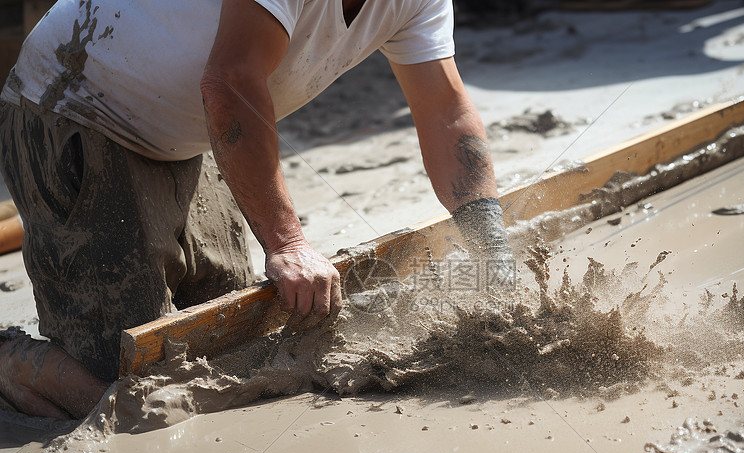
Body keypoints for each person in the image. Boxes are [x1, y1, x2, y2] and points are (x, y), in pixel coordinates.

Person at [0, 0, 512, 419]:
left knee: (233, 345)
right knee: (132, 392)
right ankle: (10, 361)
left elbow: (446, 113)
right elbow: (230, 81)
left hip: (192, 133)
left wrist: (494, 254)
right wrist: (287, 243)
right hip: (77, 107)